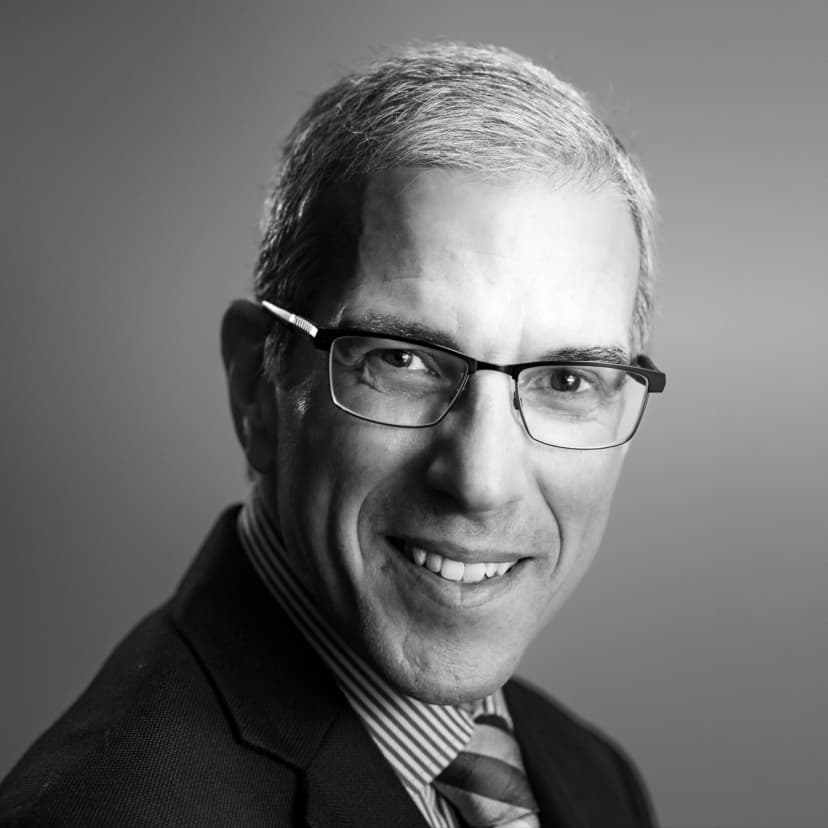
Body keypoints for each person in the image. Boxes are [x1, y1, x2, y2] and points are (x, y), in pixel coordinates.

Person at [0, 41, 665, 827]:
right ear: (258, 387)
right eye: (403, 359)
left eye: (566, 381)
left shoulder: (588, 777)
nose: (482, 482)